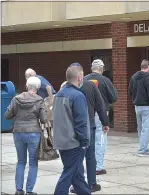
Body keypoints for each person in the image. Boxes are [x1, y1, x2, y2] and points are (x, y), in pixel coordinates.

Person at [65, 63, 110, 193]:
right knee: (90, 156)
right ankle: (92, 183)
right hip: (89, 125)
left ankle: (77, 184)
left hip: (73, 126)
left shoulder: (66, 88)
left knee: (77, 157)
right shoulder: (90, 85)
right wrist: (105, 122)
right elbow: (100, 105)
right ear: (81, 73)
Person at [5, 77, 48, 195]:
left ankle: (19, 190)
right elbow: (44, 120)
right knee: (33, 162)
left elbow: (7, 115)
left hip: (18, 132)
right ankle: (29, 190)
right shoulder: (39, 100)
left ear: (26, 85)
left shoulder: (16, 99)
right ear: (38, 88)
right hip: (33, 133)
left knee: (21, 161)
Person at [53, 64, 91, 195]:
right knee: (69, 173)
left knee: (77, 176)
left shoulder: (58, 95)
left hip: (61, 141)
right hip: (73, 142)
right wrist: (84, 141)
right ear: (79, 77)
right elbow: (81, 121)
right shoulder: (78, 95)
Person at [84, 59, 117, 175]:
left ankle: (89, 164)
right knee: (101, 139)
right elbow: (113, 97)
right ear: (102, 68)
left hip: (87, 113)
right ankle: (98, 166)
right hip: (101, 113)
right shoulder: (105, 80)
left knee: (88, 139)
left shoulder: (84, 79)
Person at [128, 59, 149, 157]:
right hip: (147, 106)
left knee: (140, 128)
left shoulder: (133, 77)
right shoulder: (148, 77)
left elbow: (130, 91)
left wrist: (134, 100)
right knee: (146, 128)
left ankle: (143, 146)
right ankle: (142, 150)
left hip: (137, 106)